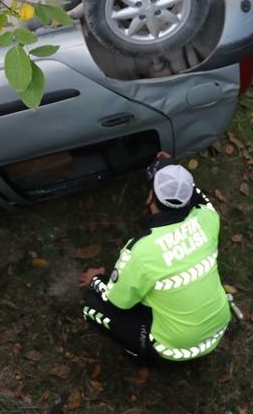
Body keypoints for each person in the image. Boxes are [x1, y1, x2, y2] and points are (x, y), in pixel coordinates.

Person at [80, 153, 230, 363]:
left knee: (93, 305)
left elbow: (115, 301)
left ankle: (141, 351)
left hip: (176, 350)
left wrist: (95, 280)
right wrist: (173, 173)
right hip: (218, 328)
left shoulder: (141, 252)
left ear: (150, 197)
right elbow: (199, 197)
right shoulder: (208, 218)